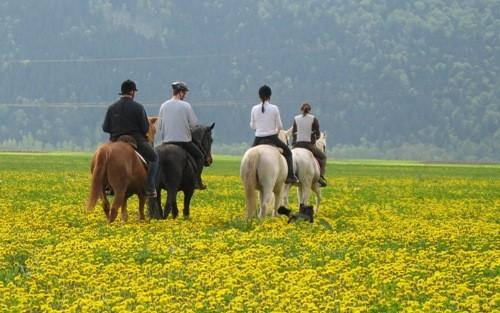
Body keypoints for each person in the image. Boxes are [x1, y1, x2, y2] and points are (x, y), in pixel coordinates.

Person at [102, 79, 159, 197]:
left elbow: (105, 127)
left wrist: (116, 132)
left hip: (115, 140)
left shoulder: (111, 108)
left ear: (122, 92)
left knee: (103, 159)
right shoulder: (138, 107)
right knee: (154, 158)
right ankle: (150, 187)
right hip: (135, 139)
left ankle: (106, 185)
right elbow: (144, 128)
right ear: (132, 92)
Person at [157, 81, 207, 190]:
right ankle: (197, 181)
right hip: (183, 142)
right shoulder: (186, 106)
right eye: (184, 93)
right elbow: (194, 125)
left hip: (166, 142)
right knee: (200, 157)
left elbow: (160, 126)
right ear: (180, 93)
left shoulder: (163, 105)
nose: (185, 95)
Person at [250, 85, 298, 184]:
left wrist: (260, 128)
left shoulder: (254, 108)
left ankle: (248, 176)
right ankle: (290, 176)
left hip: (258, 138)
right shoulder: (274, 108)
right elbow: (280, 126)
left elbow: (252, 126)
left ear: (259, 96)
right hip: (272, 138)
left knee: (249, 156)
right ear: (270, 96)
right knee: (288, 152)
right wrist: (273, 130)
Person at [292, 102, 327, 187]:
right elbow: (318, 134)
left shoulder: (296, 118)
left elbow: (293, 133)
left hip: (297, 144)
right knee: (323, 157)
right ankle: (320, 177)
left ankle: (289, 174)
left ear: (301, 109)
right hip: (308, 145)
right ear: (309, 110)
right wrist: (314, 138)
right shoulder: (313, 119)